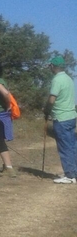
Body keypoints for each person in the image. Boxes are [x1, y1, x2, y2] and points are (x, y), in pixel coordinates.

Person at [44, 56, 77, 184]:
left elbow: (52, 99)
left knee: (64, 147)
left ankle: (69, 175)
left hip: (61, 117)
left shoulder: (57, 80)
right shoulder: (69, 79)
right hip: (71, 116)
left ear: (53, 66)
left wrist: (46, 110)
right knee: (72, 145)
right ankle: (73, 172)